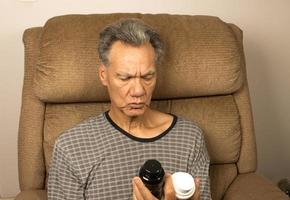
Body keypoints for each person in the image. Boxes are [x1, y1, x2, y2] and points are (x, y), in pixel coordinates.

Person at [47, 18, 211, 200]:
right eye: (125, 78)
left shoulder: (189, 138)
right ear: (104, 75)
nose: (139, 91)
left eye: (148, 77)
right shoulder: (71, 147)